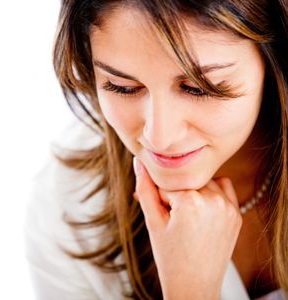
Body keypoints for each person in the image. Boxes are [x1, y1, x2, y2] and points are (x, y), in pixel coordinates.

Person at [25, 0, 288, 299]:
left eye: (199, 88)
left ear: (273, 60)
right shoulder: (66, 205)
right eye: (122, 87)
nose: (160, 138)